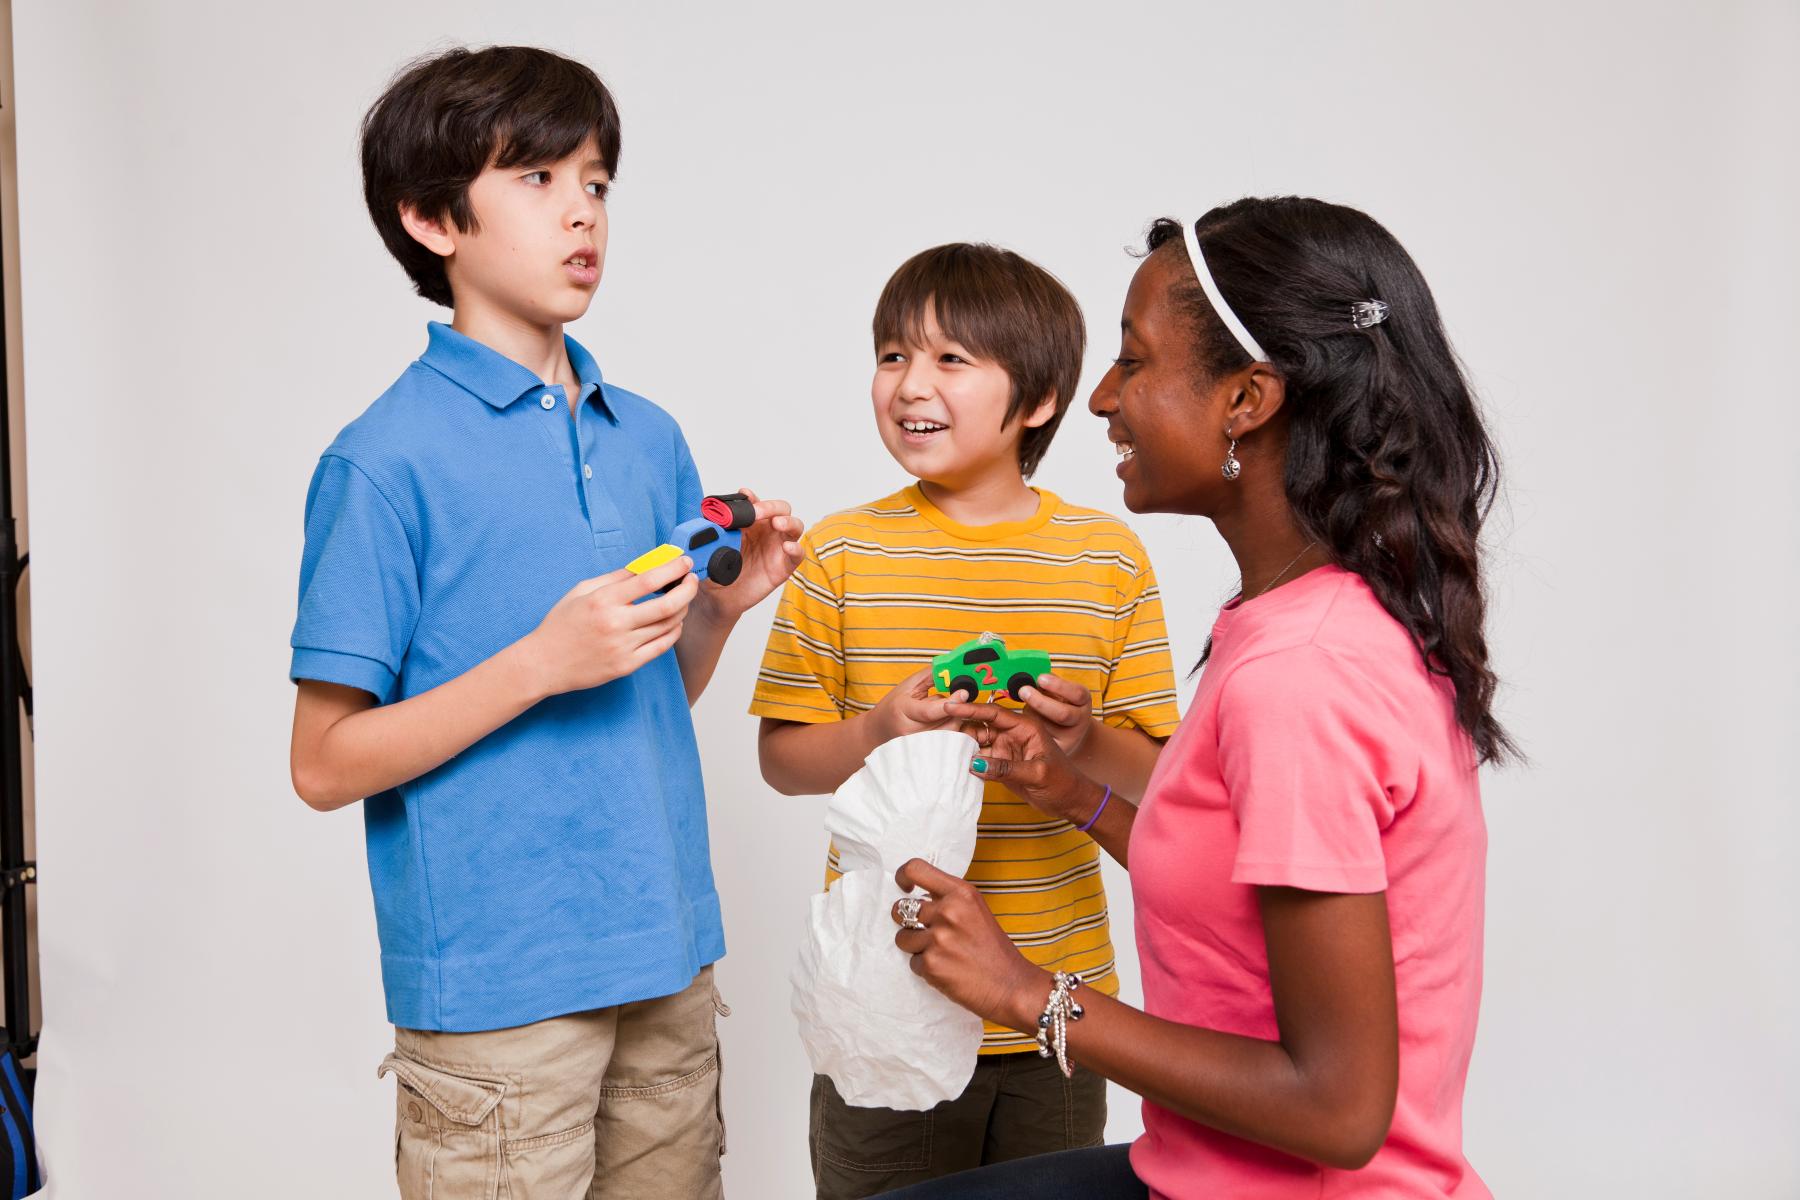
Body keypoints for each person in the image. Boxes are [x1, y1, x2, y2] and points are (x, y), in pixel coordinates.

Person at [879, 198, 1513, 1199]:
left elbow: (1339, 1111)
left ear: (1246, 402)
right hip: (1197, 1172)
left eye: (1133, 360)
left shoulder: (1299, 673)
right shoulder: (1309, 617)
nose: (1101, 397)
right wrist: (1076, 791)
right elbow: (1240, 885)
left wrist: (1026, 991)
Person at [286, 46, 802, 1199]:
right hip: (496, 996)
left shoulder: (649, 436)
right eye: (537, 179)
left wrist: (716, 614)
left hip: (665, 958)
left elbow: (641, 706)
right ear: (432, 219)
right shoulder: (381, 464)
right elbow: (321, 766)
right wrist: (534, 664)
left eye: (599, 182)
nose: (583, 213)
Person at [752, 243, 1180, 1198]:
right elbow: (783, 760)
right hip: (882, 999)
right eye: (894, 354)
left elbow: (1156, 773)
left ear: (1036, 403)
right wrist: (879, 730)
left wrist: (1078, 739)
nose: (912, 383)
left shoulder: (1104, 559)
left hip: (1057, 1009)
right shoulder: (842, 552)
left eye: (952, 359)